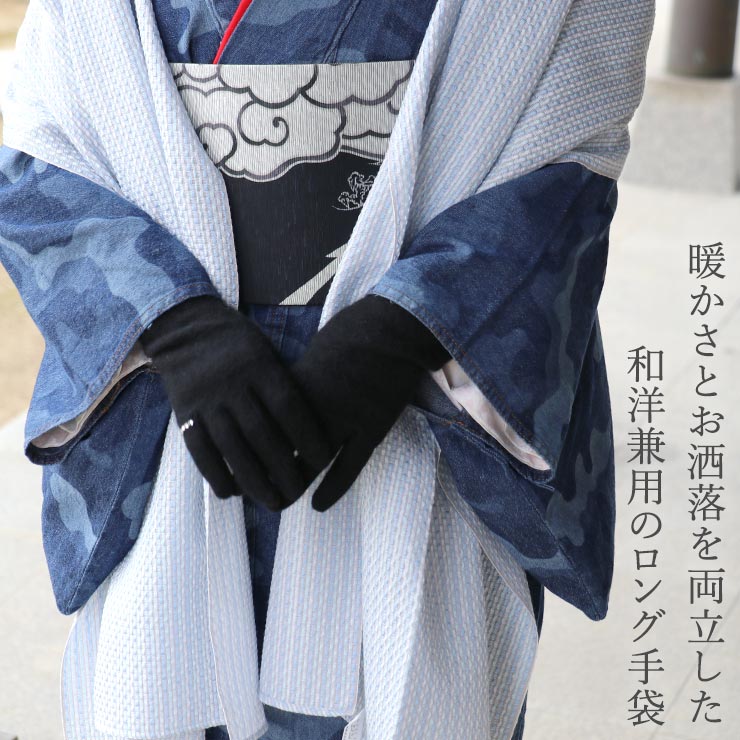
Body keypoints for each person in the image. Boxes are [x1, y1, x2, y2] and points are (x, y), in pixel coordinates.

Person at [0, 1, 654, 738]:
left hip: (418, 406)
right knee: (168, 674)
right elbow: (46, 135)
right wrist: (170, 321)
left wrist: (405, 328)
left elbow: (571, 137)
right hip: (175, 405)